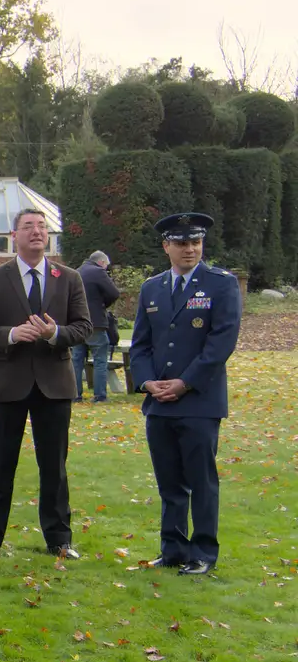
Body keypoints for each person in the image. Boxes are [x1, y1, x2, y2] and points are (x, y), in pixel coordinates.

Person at [130, 212, 241, 576]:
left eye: (195, 242)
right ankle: (173, 549)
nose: (190, 249)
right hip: (159, 403)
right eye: (181, 243)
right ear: (166, 247)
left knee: (201, 481)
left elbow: (220, 343)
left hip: (199, 401)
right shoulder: (153, 288)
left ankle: (204, 553)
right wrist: (146, 382)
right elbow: (141, 345)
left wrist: (185, 382)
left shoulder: (221, 284)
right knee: (169, 482)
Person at [0, 210, 91, 560]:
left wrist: (53, 333)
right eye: (28, 227)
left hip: (54, 385)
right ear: (14, 235)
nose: (37, 232)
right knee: (1, 465)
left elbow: (84, 327)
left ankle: (59, 539)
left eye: (42, 227)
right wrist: (11, 334)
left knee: (54, 466)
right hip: (8, 383)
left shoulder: (68, 278)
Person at [74, 250, 121, 403]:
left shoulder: (76, 272)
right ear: (101, 262)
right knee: (100, 358)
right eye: (106, 266)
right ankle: (100, 395)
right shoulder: (99, 272)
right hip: (95, 322)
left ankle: (75, 395)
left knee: (76, 360)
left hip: (76, 322)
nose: (106, 269)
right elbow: (114, 293)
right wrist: (103, 305)